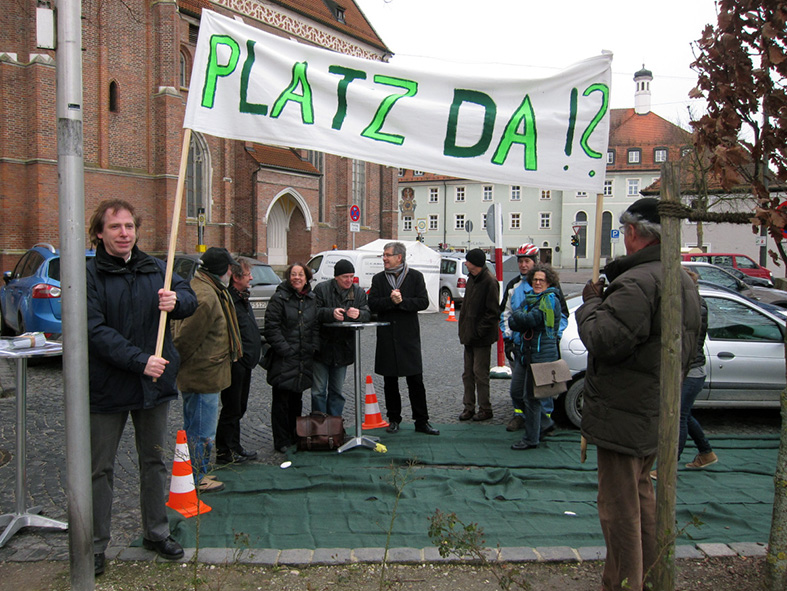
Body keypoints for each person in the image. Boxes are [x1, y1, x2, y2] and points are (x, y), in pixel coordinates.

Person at [576, 197, 701, 591]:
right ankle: (647, 576)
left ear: (632, 233)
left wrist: (591, 303)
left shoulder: (638, 281)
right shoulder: (680, 277)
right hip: (650, 409)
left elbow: (603, 339)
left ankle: (627, 584)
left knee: (619, 511)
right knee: (641, 500)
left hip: (624, 413)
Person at [86, 199, 197, 576]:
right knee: (99, 469)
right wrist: (139, 360)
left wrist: (177, 299)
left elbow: (190, 299)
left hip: (153, 386)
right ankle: (95, 545)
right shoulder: (89, 274)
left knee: (154, 462)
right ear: (99, 232)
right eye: (115, 227)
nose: (124, 233)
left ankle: (155, 531)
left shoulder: (156, 269)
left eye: (129, 226)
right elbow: (94, 330)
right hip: (108, 387)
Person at [173, 247, 242, 493]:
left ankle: (194, 473)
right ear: (221, 270)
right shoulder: (206, 296)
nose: (231, 273)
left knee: (198, 425)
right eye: (229, 269)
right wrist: (175, 365)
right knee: (201, 430)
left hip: (206, 371)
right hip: (202, 374)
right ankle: (196, 476)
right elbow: (186, 338)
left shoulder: (210, 288)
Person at [368, 241, 439, 435]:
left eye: (387, 255)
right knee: (390, 381)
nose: (384, 258)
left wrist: (403, 302)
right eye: (383, 255)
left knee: (415, 380)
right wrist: (390, 302)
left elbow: (423, 302)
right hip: (387, 337)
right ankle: (394, 419)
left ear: (399, 257)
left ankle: (422, 421)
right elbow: (372, 303)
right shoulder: (379, 279)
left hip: (408, 337)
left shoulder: (415, 277)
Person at [651, 272, 717, 479]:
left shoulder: (693, 305)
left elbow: (684, 338)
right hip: (689, 368)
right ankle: (706, 453)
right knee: (684, 415)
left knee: (677, 416)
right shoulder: (695, 303)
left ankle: (667, 466)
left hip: (690, 370)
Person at [500, 243, 568, 433]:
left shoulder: (550, 288)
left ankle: (543, 424)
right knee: (519, 390)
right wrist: (508, 340)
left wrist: (553, 336)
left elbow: (561, 316)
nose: (523, 265)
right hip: (520, 347)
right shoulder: (514, 285)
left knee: (541, 392)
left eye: (527, 261)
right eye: (520, 261)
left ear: (535, 261)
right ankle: (521, 417)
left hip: (541, 349)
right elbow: (507, 315)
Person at [263, 262, 319, 452]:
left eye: (300, 275)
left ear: (307, 278)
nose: (297, 278)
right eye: (293, 274)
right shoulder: (279, 298)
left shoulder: (311, 299)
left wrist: (312, 346)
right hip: (284, 358)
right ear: (289, 277)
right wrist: (285, 349)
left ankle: (295, 435)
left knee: (297, 399)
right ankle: (281, 440)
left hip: (303, 357)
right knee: (281, 401)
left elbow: (315, 325)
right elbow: (271, 327)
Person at [508, 264, 563, 450]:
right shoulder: (532, 299)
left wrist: (518, 315)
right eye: (535, 279)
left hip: (540, 356)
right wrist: (519, 316)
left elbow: (530, 319)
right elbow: (514, 323)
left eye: (541, 280)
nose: (537, 282)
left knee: (531, 398)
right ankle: (545, 424)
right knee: (516, 392)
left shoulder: (550, 300)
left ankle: (531, 438)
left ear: (549, 282)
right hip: (525, 354)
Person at [216, 259, 262, 465]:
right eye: (247, 274)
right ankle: (225, 451)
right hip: (236, 363)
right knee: (232, 407)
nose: (251, 277)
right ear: (236, 277)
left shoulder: (241, 298)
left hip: (245, 362)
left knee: (239, 407)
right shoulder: (229, 301)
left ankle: (234, 446)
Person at [311, 259, 371, 416]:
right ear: (336, 277)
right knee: (318, 391)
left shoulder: (358, 292)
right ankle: (320, 426)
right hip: (321, 347)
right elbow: (312, 312)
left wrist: (359, 315)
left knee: (337, 391)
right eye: (345, 276)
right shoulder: (321, 289)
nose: (349, 280)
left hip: (343, 348)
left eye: (352, 276)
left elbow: (368, 314)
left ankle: (335, 426)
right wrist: (330, 313)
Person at [457, 248, 499, 422]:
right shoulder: (471, 280)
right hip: (469, 335)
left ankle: (485, 408)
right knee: (468, 373)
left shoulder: (489, 281)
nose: (465, 263)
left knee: (480, 374)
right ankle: (469, 407)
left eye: (467, 261)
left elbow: (492, 312)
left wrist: (478, 331)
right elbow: (467, 307)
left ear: (475, 264)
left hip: (481, 338)